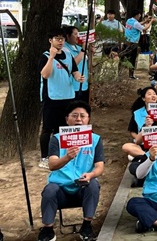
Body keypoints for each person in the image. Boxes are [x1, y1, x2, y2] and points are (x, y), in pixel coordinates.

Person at [38, 101, 104, 241]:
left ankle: (87, 225)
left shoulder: (95, 139)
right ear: (67, 119)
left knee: (93, 185)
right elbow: (52, 164)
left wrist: (90, 175)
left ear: (88, 119)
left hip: (82, 187)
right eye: (74, 116)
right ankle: (48, 229)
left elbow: (100, 166)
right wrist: (67, 157)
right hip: (60, 189)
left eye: (82, 116)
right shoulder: (56, 139)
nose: (78, 119)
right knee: (49, 190)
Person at [39, 28, 85, 169]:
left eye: (62, 39)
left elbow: (74, 71)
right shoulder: (45, 56)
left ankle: (62, 156)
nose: (60, 42)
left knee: (64, 128)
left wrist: (78, 77)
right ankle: (45, 157)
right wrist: (52, 57)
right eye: (57, 39)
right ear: (50, 40)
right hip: (51, 97)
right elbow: (45, 75)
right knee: (48, 129)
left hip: (68, 97)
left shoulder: (68, 54)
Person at [63, 25, 90, 103]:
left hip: (83, 85)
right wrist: (83, 50)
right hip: (72, 86)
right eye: (75, 34)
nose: (77, 36)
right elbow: (72, 64)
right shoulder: (64, 49)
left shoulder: (79, 48)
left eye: (78, 34)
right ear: (68, 36)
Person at [124, 11, 153, 79]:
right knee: (132, 59)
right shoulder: (135, 23)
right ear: (136, 15)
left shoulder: (129, 20)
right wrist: (151, 21)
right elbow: (144, 29)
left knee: (126, 57)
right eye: (139, 15)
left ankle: (122, 72)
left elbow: (138, 24)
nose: (140, 16)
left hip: (127, 41)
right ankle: (131, 75)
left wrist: (145, 21)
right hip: (133, 43)